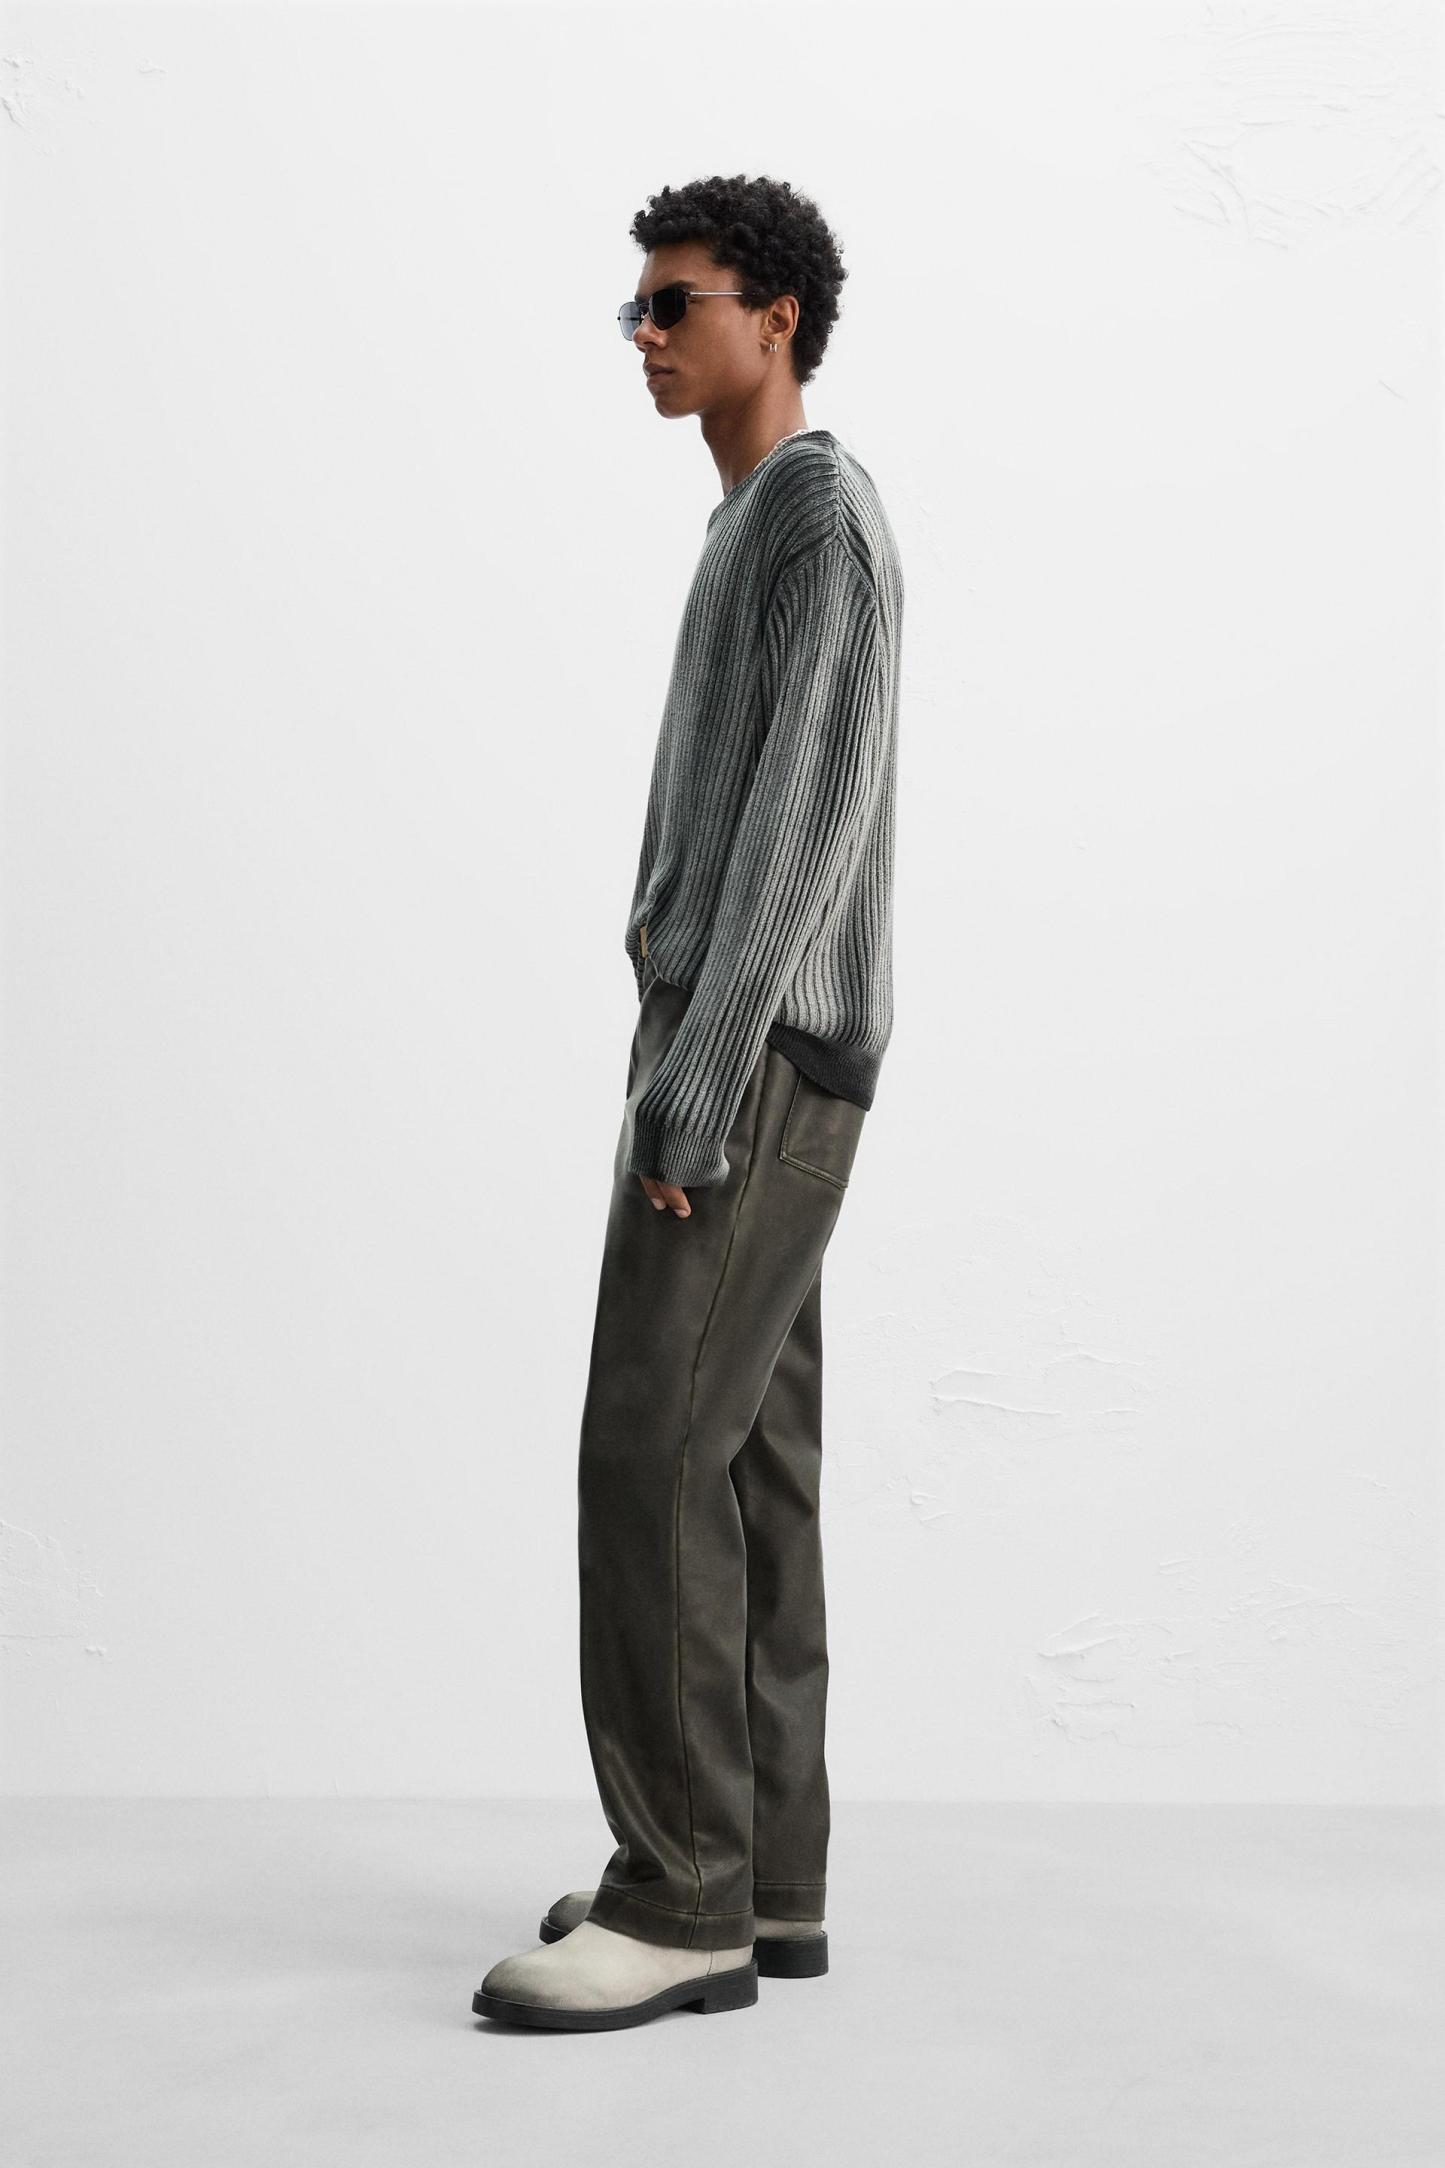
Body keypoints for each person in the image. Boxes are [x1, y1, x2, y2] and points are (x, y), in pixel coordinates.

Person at [474, 172, 904, 2032]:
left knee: (646, 1459)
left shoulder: (815, 515)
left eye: (677, 303)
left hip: (753, 1058)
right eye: (636, 309)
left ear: (774, 319)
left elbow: (803, 825)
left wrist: (697, 1083)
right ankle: (764, 1883)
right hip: (760, 1049)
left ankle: (681, 1897)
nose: (644, 336)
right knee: (745, 1470)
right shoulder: (751, 521)